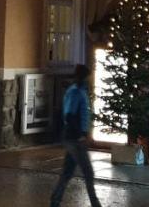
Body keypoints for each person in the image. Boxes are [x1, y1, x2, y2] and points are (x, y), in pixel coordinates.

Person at [50, 64, 102, 207]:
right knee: (88, 173)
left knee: (67, 172)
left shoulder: (76, 90)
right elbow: (70, 115)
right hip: (75, 138)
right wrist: (81, 135)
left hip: (71, 137)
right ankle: (95, 204)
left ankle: (55, 201)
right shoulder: (76, 92)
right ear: (84, 76)